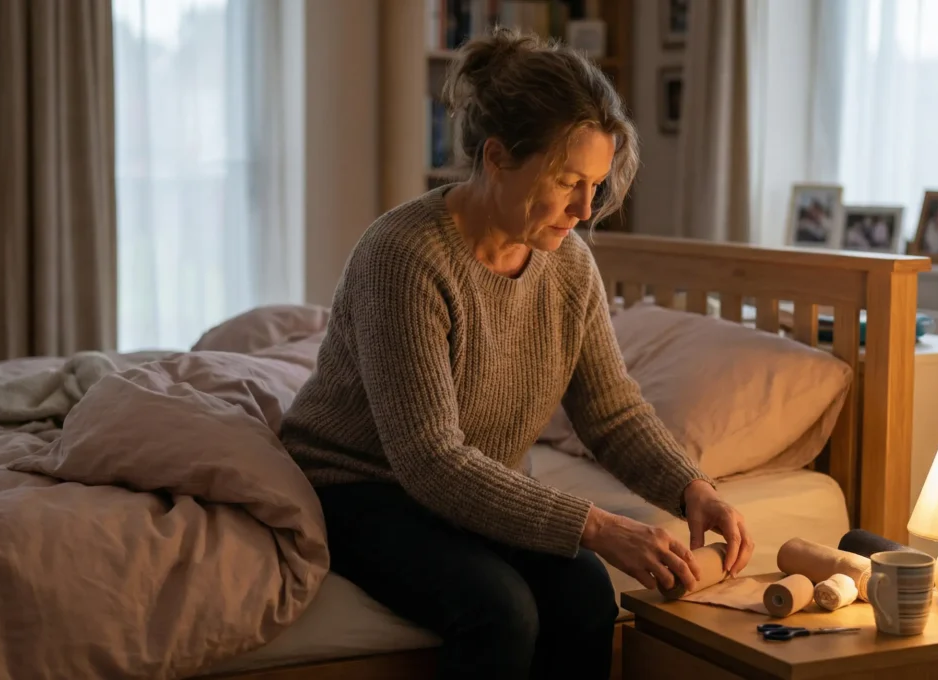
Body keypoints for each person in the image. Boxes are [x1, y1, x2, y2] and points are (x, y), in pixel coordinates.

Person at [278, 27, 753, 680]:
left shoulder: (569, 266)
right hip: (360, 488)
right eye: (568, 181)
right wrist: (596, 525)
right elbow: (431, 460)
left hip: (471, 487)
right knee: (499, 610)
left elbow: (610, 410)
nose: (584, 208)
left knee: (586, 593)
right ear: (497, 157)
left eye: (596, 184)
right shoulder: (404, 256)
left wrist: (691, 487)